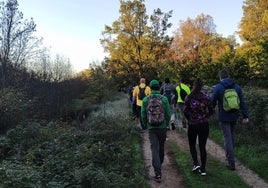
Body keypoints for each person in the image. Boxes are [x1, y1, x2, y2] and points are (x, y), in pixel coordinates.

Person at [211, 69, 249, 171]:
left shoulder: (218, 87)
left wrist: (210, 112)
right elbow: (242, 102)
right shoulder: (236, 86)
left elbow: (212, 101)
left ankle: (231, 163)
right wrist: (245, 116)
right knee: (231, 137)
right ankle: (230, 157)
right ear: (229, 76)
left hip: (223, 117)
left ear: (220, 77)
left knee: (227, 138)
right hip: (234, 116)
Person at [141, 79, 171, 183]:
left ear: (150, 87)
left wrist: (146, 124)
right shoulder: (164, 99)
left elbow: (143, 114)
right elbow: (168, 113)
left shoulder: (145, 100)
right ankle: (160, 162)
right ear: (158, 87)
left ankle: (158, 174)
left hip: (152, 128)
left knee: (154, 149)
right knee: (161, 146)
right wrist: (166, 124)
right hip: (162, 127)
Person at [183, 78, 214, 176]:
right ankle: (203, 169)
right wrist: (206, 116)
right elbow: (212, 110)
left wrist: (189, 118)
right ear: (201, 86)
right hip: (204, 124)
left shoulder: (189, 97)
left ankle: (196, 163)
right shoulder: (206, 97)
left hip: (193, 124)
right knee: (202, 146)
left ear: (193, 85)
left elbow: (185, 111)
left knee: (192, 144)